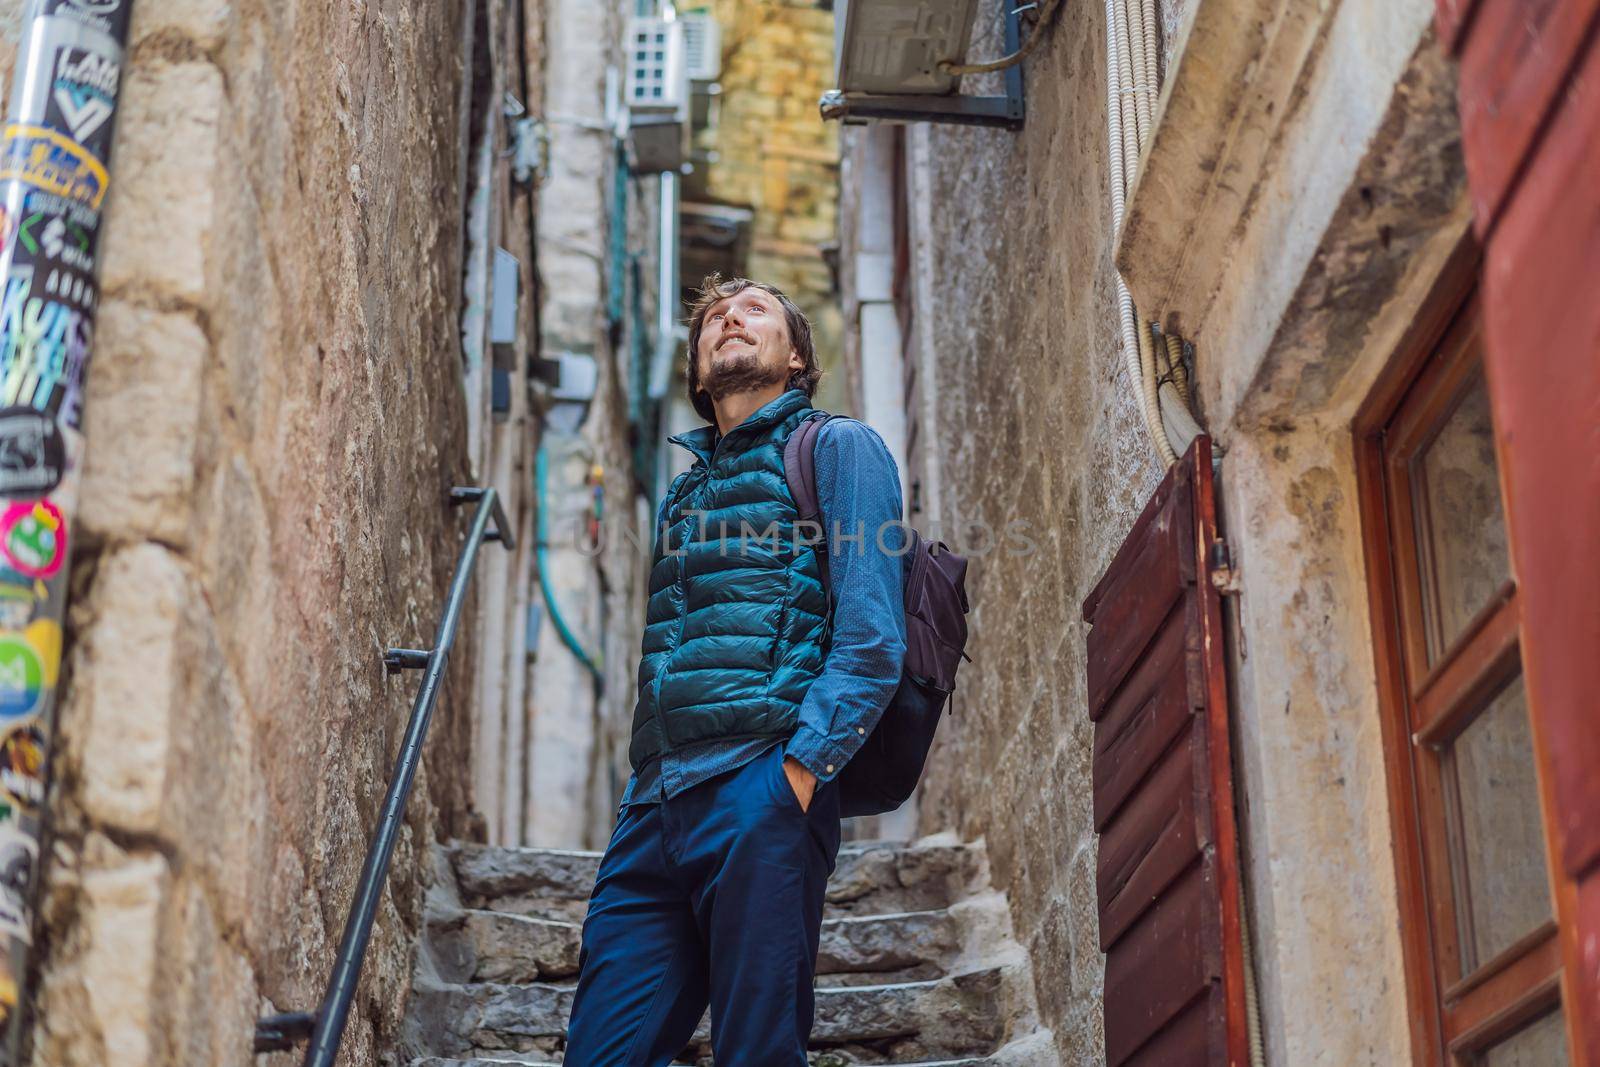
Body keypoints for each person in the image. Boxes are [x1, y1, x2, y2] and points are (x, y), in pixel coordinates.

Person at [562, 275, 909, 1065]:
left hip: (760, 789)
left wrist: (796, 772)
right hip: (653, 807)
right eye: (715, 317)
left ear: (795, 359)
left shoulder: (836, 447)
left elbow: (872, 637)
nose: (729, 317)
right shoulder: (684, 496)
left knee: (756, 1049)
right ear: (694, 373)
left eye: (755, 310)